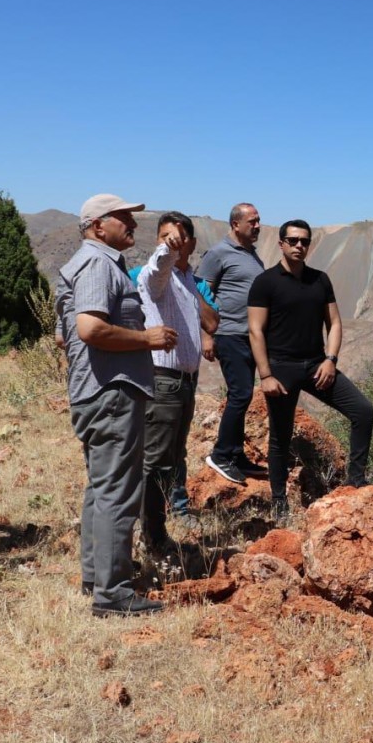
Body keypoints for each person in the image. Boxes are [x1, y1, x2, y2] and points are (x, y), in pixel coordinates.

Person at [55, 194, 175, 617]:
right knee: (118, 491)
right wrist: (147, 339)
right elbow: (89, 328)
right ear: (97, 225)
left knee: (101, 486)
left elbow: (62, 335)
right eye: (124, 218)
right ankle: (113, 591)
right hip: (112, 391)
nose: (132, 225)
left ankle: (97, 575)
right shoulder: (97, 264)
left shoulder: (84, 265)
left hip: (95, 390)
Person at [248, 219, 373, 517]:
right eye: (292, 240)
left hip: (317, 365)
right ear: (281, 243)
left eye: (304, 241)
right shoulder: (265, 282)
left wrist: (331, 360)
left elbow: (334, 323)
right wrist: (265, 375)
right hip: (280, 368)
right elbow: (255, 330)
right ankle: (279, 502)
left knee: (363, 411)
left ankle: (356, 480)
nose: (299, 246)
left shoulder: (320, 280)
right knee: (280, 435)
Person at [133, 212, 218, 562]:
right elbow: (155, 270)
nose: (174, 242)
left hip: (184, 381)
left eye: (180, 238)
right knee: (154, 462)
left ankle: (155, 530)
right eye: (166, 236)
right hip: (163, 381)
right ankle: (148, 536)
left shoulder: (186, 280)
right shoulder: (158, 277)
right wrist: (168, 251)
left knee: (169, 458)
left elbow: (212, 320)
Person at [199, 203, 266, 485]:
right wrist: (206, 336)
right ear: (236, 224)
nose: (258, 225)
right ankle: (221, 454)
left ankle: (237, 455)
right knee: (240, 394)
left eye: (259, 221)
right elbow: (200, 293)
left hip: (249, 335)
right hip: (228, 334)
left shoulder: (252, 255)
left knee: (245, 394)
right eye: (253, 221)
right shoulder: (217, 254)